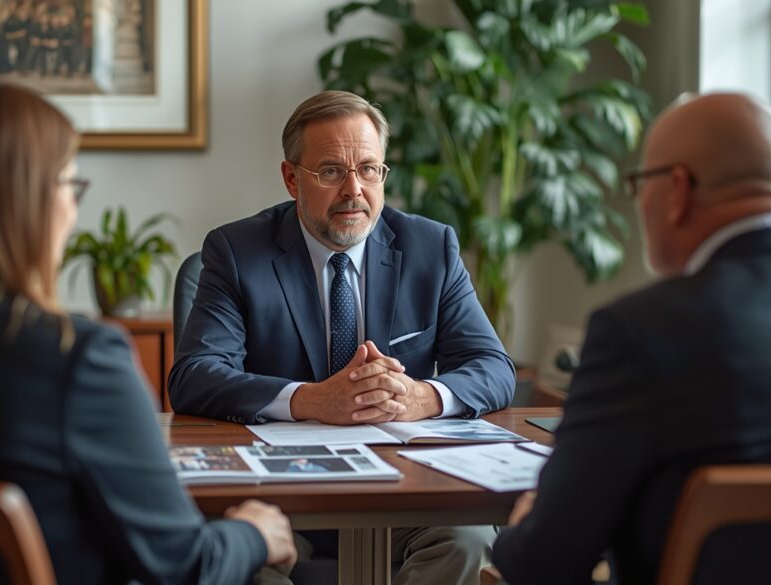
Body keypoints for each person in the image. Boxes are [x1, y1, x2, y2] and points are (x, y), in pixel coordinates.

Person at [0, 80, 295, 585]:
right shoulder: (77, 361)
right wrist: (254, 532)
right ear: (29, 203)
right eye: (70, 184)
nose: (73, 208)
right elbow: (184, 565)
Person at [491, 92, 771, 584]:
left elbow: (544, 563)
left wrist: (526, 525)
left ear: (676, 189)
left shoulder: (640, 334)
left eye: (638, 184)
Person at [169, 90, 516, 585]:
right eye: (331, 171)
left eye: (369, 169)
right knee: (243, 558)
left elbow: (493, 366)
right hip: (280, 493)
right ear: (292, 178)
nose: (354, 190)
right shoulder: (235, 251)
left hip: (407, 487)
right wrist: (312, 400)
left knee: (469, 537)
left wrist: (421, 396)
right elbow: (194, 376)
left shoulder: (430, 248)